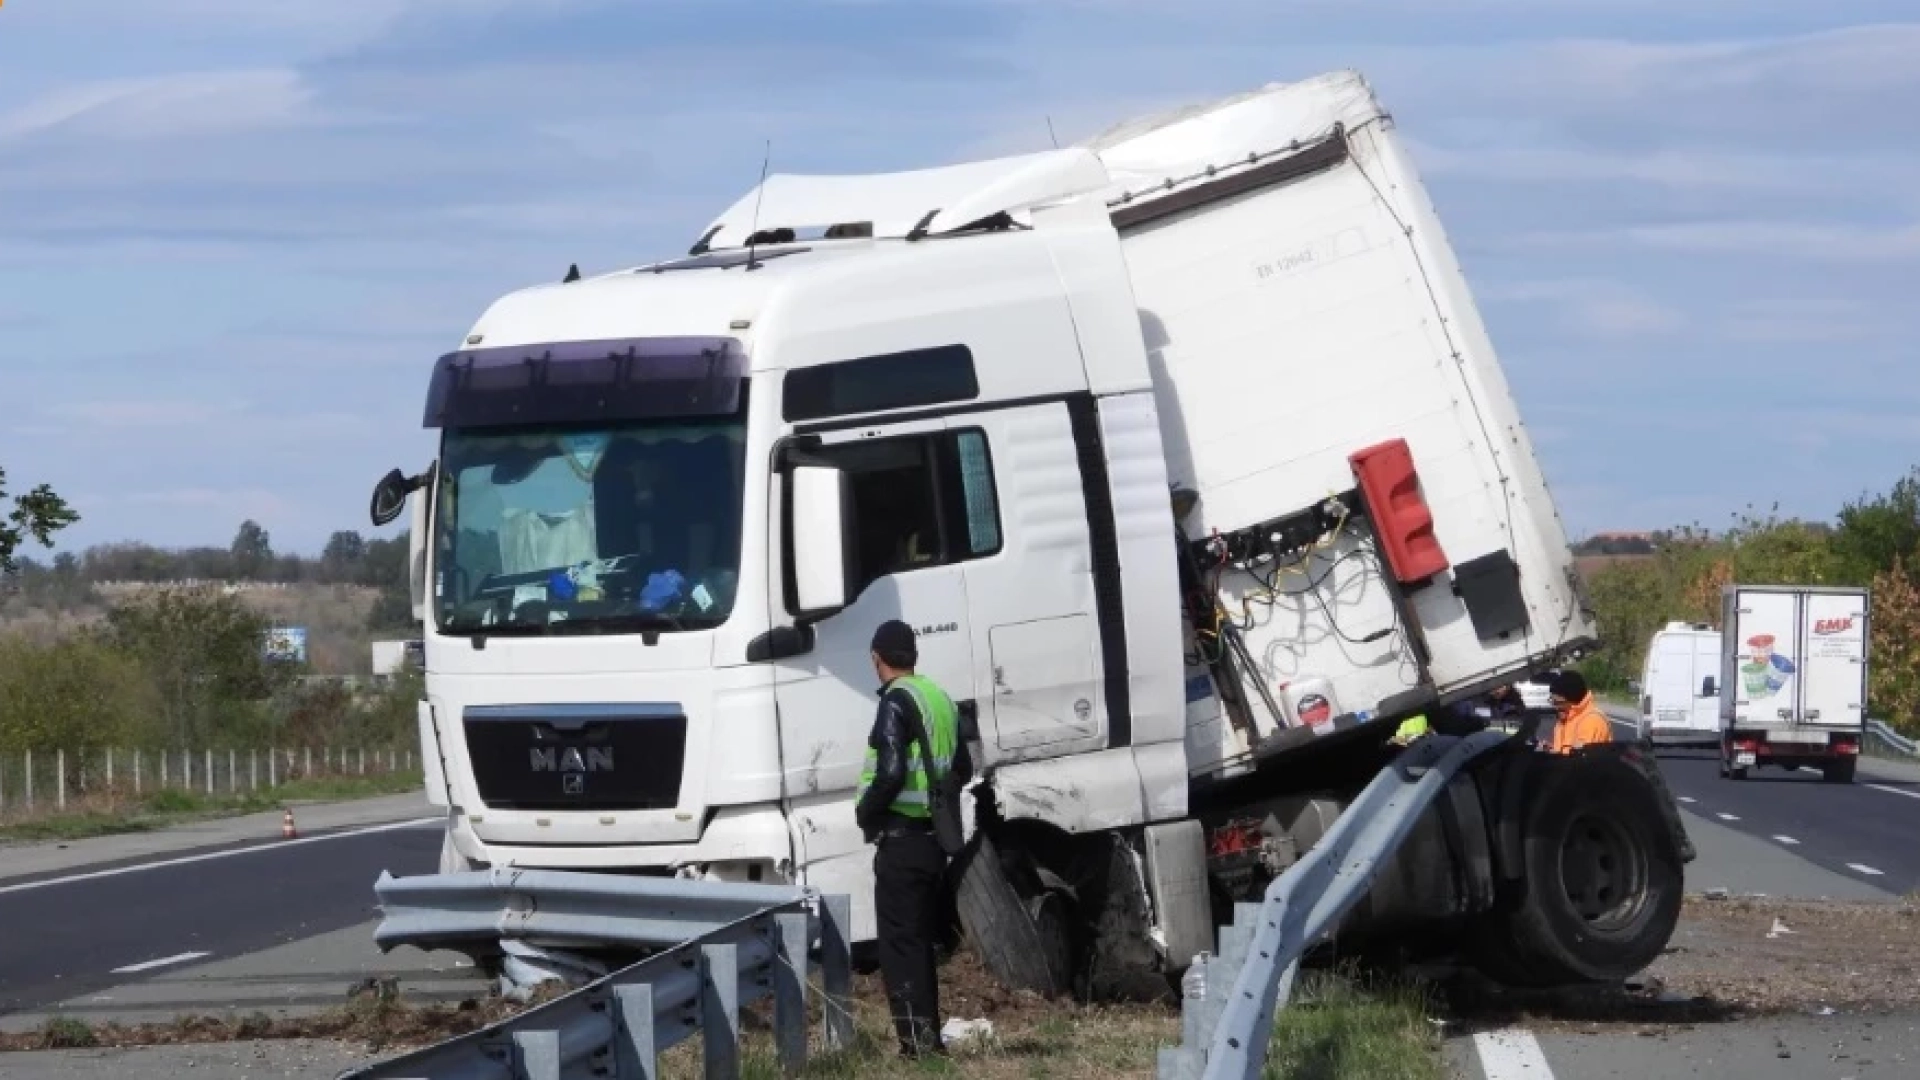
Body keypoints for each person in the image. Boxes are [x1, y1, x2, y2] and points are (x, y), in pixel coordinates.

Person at [854, 619, 974, 1058]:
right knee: (921, 941)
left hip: (902, 839)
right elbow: (963, 766)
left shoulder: (895, 703)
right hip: (934, 839)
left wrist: (866, 810)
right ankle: (929, 1039)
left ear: (876, 658)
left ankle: (916, 1046)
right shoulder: (939, 698)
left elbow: (888, 774)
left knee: (900, 943)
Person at [1545, 670, 1613, 755]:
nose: (1555, 706)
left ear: (1572, 700)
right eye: (1552, 700)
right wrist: (1550, 750)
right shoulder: (1565, 718)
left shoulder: (1592, 721)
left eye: (1558, 702)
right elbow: (1563, 751)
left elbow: (1582, 763)